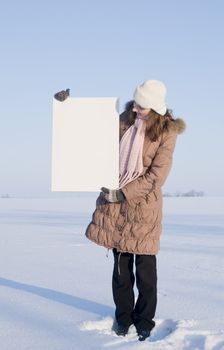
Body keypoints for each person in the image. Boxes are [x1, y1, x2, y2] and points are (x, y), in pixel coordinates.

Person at [55, 81, 186, 341]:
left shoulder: (166, 132)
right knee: (120, 270)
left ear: (156, 107)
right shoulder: (122, 120)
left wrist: (125, 192)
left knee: (146, 272)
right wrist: (66, 109)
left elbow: (157, 176)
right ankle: (123, 319)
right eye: (135, 103)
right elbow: (90, 134)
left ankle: (145, 320)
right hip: (116, 208)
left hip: (144, 209)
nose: (136, 109)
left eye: (142, 106)